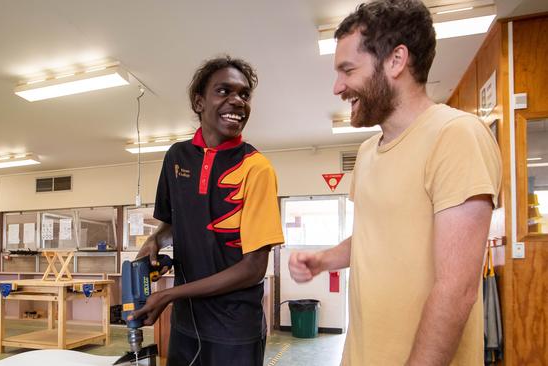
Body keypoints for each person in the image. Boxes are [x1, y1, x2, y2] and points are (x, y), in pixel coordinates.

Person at [288, 1, 502, 365]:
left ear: (395, 61)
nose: (337, 86)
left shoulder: (456, 136)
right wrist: (324, 260)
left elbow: (457, 289)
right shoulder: (369, 151)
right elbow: (377, 236)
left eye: (348, 70)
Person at [131, 56, 284, 366]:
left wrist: (170, 294)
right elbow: (172, 222)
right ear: (199, 102)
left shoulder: (257, 168)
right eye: (224, 91)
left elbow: (254, 267)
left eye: (244, 94)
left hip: (235, 328)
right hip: (186, 325)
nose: (237, 101)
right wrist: (155, 241)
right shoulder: (177, 157)